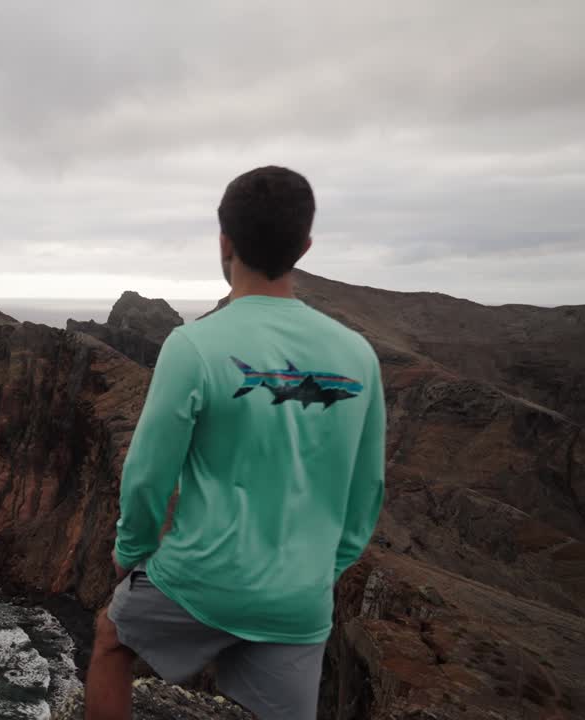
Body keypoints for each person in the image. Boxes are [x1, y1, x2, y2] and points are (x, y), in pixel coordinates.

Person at [84, 166, 385, 720]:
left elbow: (149, 473)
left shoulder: (194, 346)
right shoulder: (358, 355)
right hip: (300, 598)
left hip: (201, 579)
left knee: (109, 639)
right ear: (305, 245)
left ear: (225, 242)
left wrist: (130, 552)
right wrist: (323, 570)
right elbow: (367, 492)